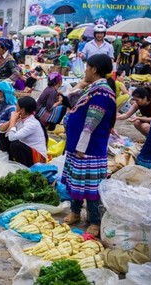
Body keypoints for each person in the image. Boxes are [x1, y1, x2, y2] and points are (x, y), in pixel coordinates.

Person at [61, 54, 116, 237]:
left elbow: (91, 122)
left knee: (91, 188)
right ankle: (75, 211)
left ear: (94, 69)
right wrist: (81, 84)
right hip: (78, 146)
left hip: (88, 149)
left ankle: (94, 221)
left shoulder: (102, 93)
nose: (84, 70)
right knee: (76, 181)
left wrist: (81, 147)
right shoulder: (93, 88)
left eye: (86, 67)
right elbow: (69, 99)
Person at [0, 96, 48, 167]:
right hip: (29, 152)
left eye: (17, 107)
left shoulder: (32, 123)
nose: (15, 109)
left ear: (22, 110)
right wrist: (11, 121)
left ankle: (23, 168)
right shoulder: (22, 119)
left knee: (15, 145)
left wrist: (13, 120)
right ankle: (9, 161)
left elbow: (12, 137)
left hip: (38, 158)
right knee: (2, 137)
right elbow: (1, 130)